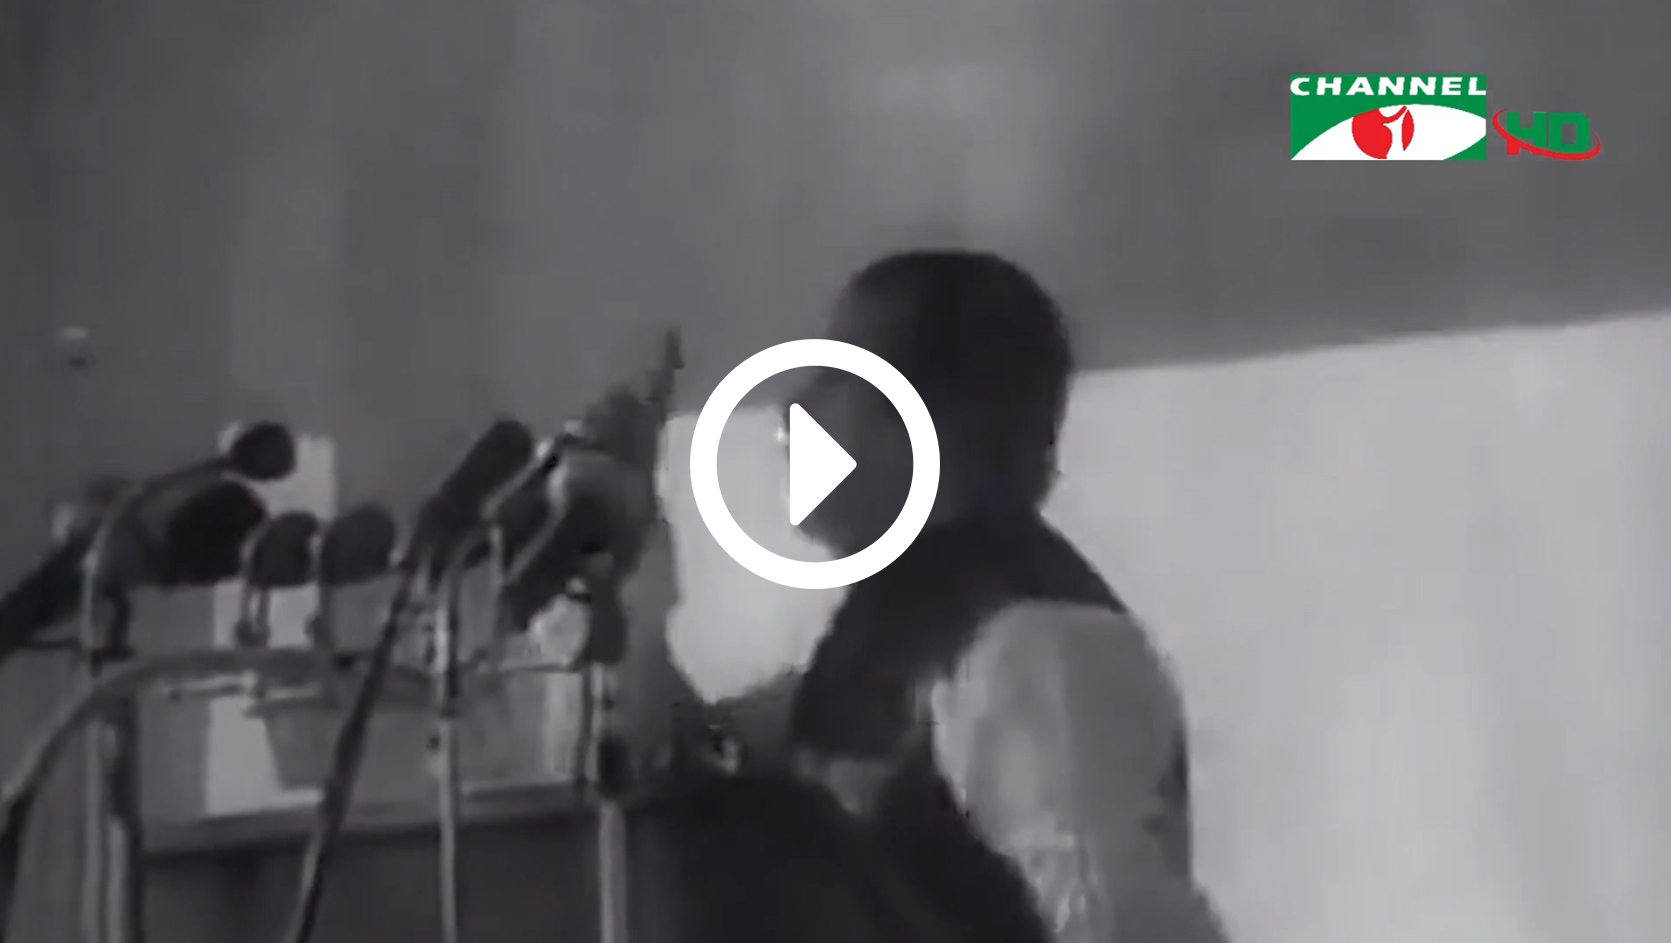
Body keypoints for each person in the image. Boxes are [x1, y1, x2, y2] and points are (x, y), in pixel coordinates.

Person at [764, 249, 1229, 943]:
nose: (793, 408)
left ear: (940, 424)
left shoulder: (1039, 642)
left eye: (839, 376)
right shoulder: (903, 626)